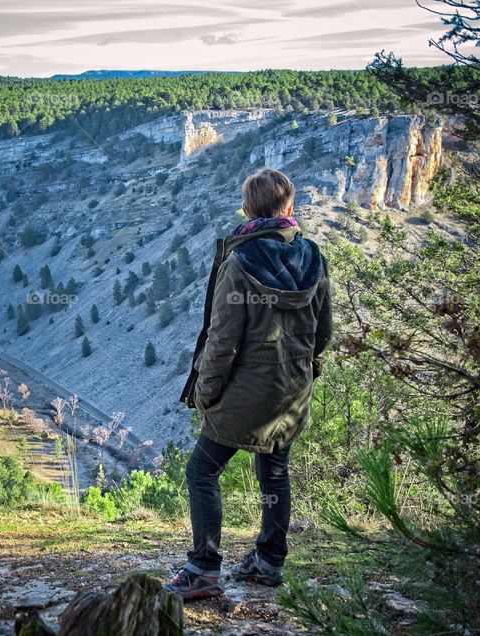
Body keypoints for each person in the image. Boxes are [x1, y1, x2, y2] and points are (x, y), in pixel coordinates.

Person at [166, 168, 332, 600]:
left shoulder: (239, 262)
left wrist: (205, 392)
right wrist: (302, 368)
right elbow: (324, 332)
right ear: (289, 209)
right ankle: (269, 562)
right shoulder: (314, 257)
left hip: (244, 392)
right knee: (274, 472)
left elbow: (222, 341)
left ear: (247, 209)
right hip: (293, 391)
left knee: (201, 471)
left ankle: (203, 568)